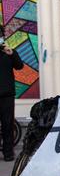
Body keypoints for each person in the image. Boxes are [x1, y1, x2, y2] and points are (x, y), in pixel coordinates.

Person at [0, 27, 23, 161]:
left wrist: (12, 53)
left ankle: (8, 153)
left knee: (7, 124)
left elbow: (19, 66)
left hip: (7, 95)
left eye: (1, 35)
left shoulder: (9, 52)